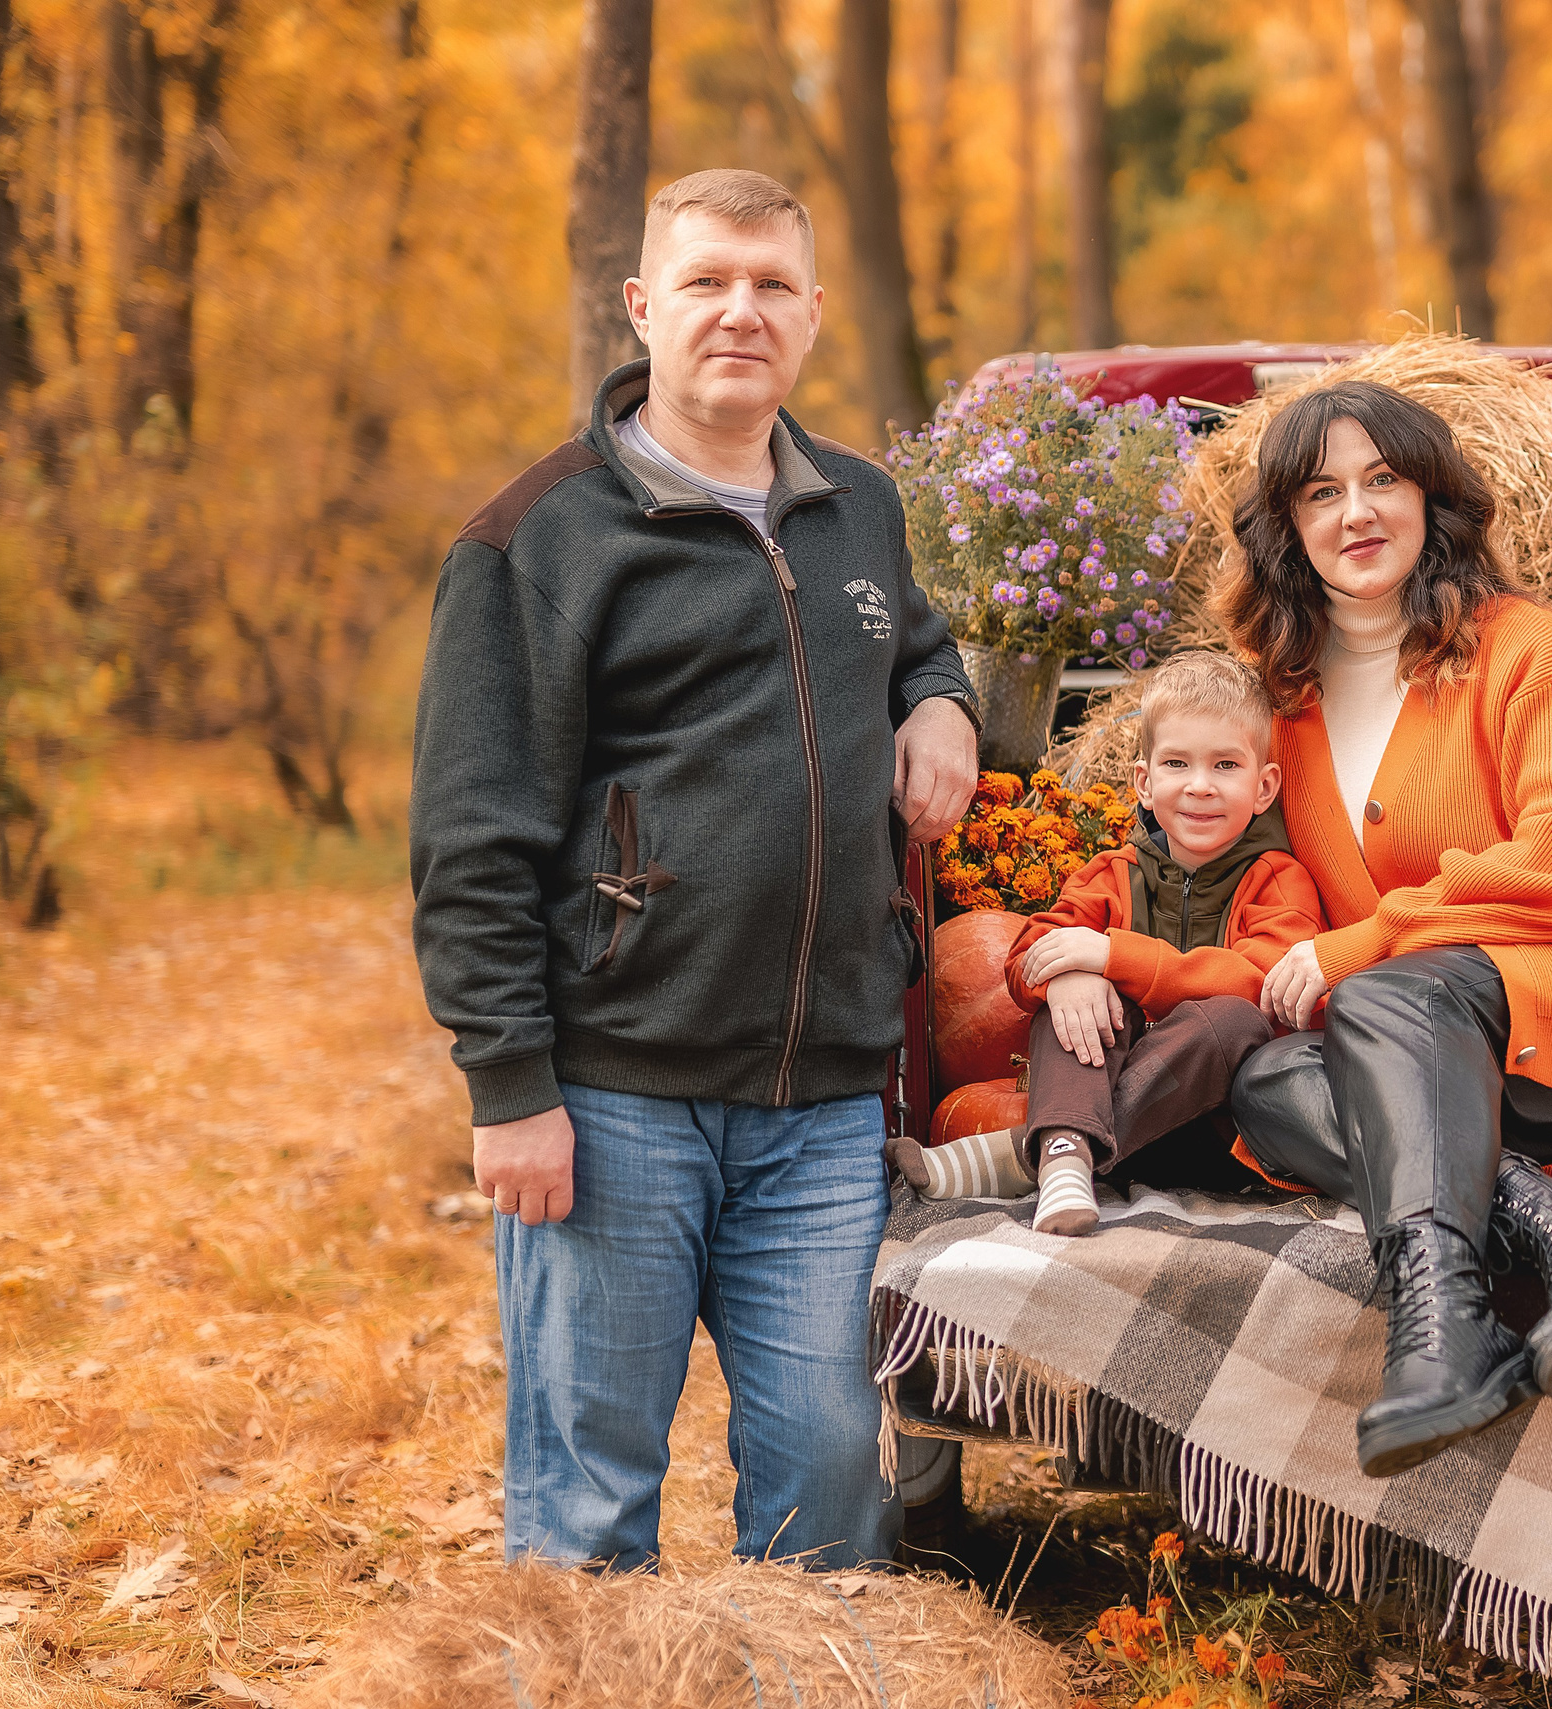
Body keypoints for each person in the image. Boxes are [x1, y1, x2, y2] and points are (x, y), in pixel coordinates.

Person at [408, 169, 979, 1571]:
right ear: (643, 303)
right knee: (592, 1498)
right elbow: (473, 844)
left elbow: (913, 641)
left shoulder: (859, 503)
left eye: (773, 284)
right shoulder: (536, 538)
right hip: (616, 1102)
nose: (742, 311)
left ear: (815, 313)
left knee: (836, 1484)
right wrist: (510, 1089)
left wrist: (946, 704)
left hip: (824, 1107)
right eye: (710, 280)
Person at [1219, 380, 1552, 1479]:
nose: (1356, 512)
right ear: (1287, 527)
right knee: (1266, 1087)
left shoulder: (1520, 646)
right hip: (1446, 1058)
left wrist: (1368, 945)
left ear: (1430, 499)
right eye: (1322, 491)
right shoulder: (1290, 707)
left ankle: (1440, 1330)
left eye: (1382, 480)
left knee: (1382, 995)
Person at [892, 652, 1324, 1234]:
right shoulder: (1112, 873)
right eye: (1177, 763)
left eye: (1225, 764)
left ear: (1264, 786)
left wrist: (1114, 957)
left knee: (1230, 1022)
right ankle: (1066, 1155)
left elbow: (1267, 986)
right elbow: (1028, 953)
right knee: (1080, 1000)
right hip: (1120, 1139)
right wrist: (1070, 977)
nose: (1200, 786)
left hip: (1217, 1136)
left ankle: (1036, 1154)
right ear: (1144, 782)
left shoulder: (1279, 880)